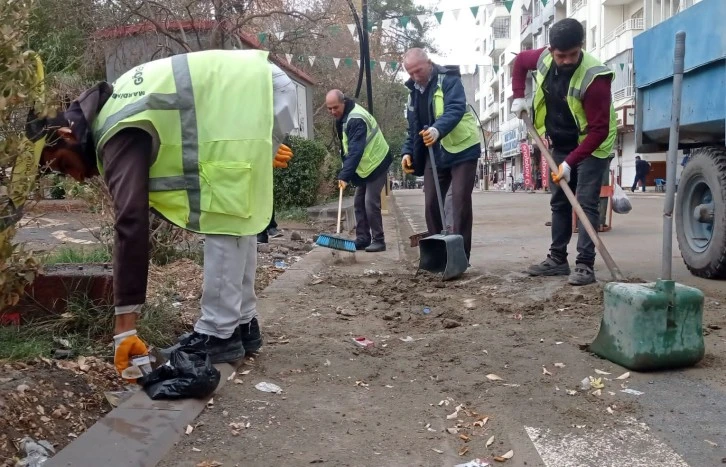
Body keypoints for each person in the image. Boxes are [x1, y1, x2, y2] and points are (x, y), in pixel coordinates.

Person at [26, 49, 299, 378]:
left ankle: (218, 333)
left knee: (225, 212)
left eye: (60, 164)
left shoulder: (116, 131)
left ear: (66, 136)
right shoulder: (115, 109)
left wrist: (124, 328)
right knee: (234, 212)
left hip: (255, 93)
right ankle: (242, 324)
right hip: (258, 88)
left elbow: (130, 220)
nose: (70, 176)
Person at [510, 18, 616, 286]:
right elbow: (520, 61)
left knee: (585, 203)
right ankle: (557, 259)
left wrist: (570, 163)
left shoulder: (596, 78)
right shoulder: (544, 58)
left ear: (581, 46)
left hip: (593, 145)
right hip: (561, 141)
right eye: (561, 56)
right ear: (551, 50)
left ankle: (584, 265)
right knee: (559, 202)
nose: (567, 60)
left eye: (572, 54)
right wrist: (519, 95)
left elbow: (599, 131)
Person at [400, 48, 482, 260]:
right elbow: (413, 127)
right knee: (431, 203)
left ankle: (461, 256)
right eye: (410, 73)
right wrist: (407, 151)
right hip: (434, 153)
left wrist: (437, 129)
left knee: (459, 202)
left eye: (418, 70)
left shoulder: (449, 80)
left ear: (429, 63)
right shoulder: (413, 94)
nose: (415, 76)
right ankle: (439, 254)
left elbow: (455, 108)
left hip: (462, 148)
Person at [326, 90, 392, 252]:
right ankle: (362, 238)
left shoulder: (356, 119)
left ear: (343, 102)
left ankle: (379, 240)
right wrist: (346, 171)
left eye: (335, 107)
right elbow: (346, 148)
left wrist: (345, 176)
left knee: (370, 202)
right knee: (358, 202)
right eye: (329, 109)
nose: (333, 112)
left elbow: (356, 150)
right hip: (365, 166)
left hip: (378, 162)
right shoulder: (343, 118)